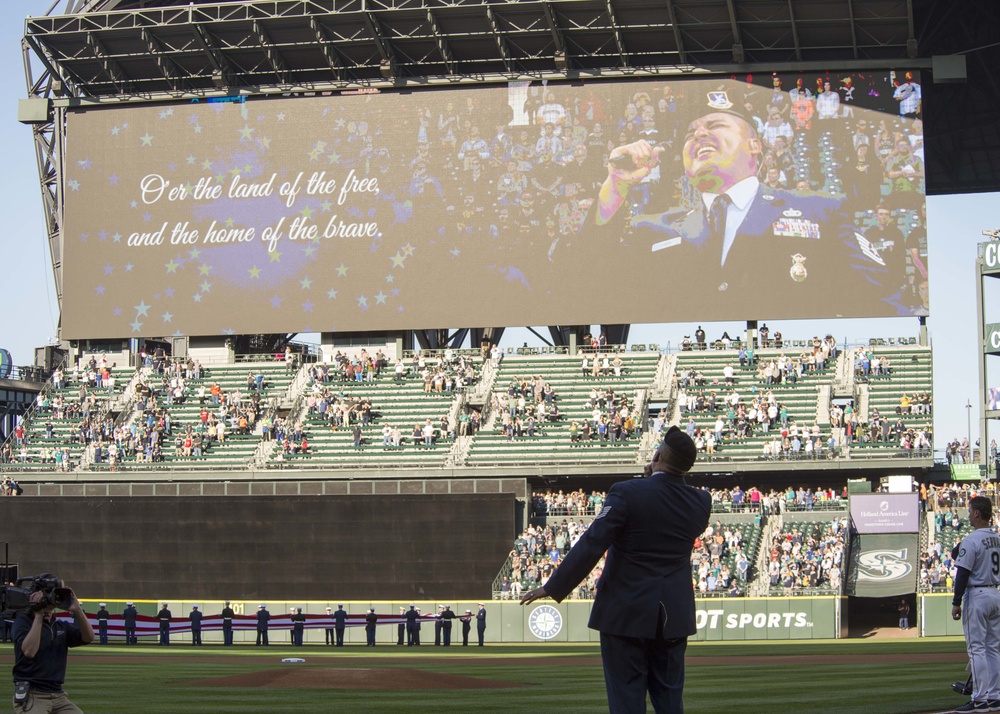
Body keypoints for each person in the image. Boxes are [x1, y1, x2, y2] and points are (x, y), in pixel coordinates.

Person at [580, 91, 894, 317]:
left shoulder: (822, 211)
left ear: (754, 145)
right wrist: (616, 186)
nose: (700, 132)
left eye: (715, 126)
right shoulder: (652, 227)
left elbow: (885, 296)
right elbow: (586, 273)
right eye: (691, 132)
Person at [521, 426, 711, 714]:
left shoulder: (626, 492)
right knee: (671, 702)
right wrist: (656, 480)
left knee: (627, 701)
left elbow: (593, 542)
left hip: (626, 612)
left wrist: (553, 586)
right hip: (673, 615)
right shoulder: (701, 502)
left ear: (657, 454)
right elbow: (668, 506)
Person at [11, 579, 94, 714]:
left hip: (58, 695)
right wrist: (38, 614)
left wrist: (77, 609)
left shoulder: (59, 625)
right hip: (33, 694)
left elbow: (88, 637)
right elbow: (29, 651)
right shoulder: (23, 621)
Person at [951, 496, 1000, 712]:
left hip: (977, 595)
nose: (969, 515)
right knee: (993, 648)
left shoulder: (971, 540)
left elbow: (962, 572)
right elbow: (957, 555)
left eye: (970, 511)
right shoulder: (997, 538)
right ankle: (995, 696)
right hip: (995, 593)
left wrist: (956, 602)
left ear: (977, 514)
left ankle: (979, 699)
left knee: (977, 649)